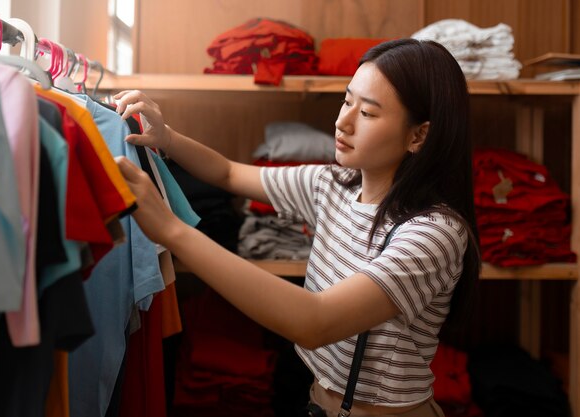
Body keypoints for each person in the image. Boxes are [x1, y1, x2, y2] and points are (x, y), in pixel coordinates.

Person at [112, 38, 481, 417]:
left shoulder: (433, 233)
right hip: (319, 404)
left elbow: (315, 321)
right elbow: (228, 172)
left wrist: (172, 231)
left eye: (368, 113)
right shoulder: (334, 185)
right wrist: (166, 137)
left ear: (418, 136)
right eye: (346, 100)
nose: (343, 122)